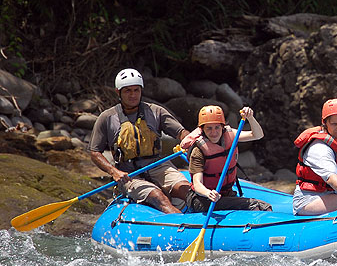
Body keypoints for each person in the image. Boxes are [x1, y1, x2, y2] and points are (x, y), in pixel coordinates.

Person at [89, 68, 190, 213]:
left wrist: (187, 139)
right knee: (158, 196)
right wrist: (114, 171)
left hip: (158, 166)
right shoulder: (107, 118)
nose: (133, 95)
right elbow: (94, 152)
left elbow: (181, 132)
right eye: (128, 91)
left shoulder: (156, 111)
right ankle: (182, 226)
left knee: (185, 190)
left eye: (136, 90)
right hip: (129, 174)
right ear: (118, 92)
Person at [180, 105, 271, 212]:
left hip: (226, 195)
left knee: (264, 207)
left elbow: (257, 135)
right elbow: (197, 184)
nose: (214, 132)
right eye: (209, 128)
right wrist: (208, 193)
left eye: (217, 127)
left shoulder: (230, 134)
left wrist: (250, 117)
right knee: (255, 206)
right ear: (202, 129)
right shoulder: (198, 151)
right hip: (203, 200)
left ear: (222, 127)